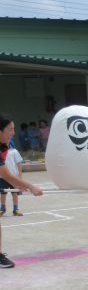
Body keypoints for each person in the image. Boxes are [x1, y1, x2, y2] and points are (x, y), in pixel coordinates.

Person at [0, 113, 43, 267]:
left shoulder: (4, 147)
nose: (13, 133)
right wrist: (30, 186)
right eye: (10, 129)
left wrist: (19, 184)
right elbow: (5, 174)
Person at [0, 142, 25, 217]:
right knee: (3, 193)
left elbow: (19, 163)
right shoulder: (1, 151)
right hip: (3, 176)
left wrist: (20, 176)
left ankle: (15, 209)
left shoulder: (14, 151)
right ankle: (2, 208)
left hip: (14, 176)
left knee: (15, 193)